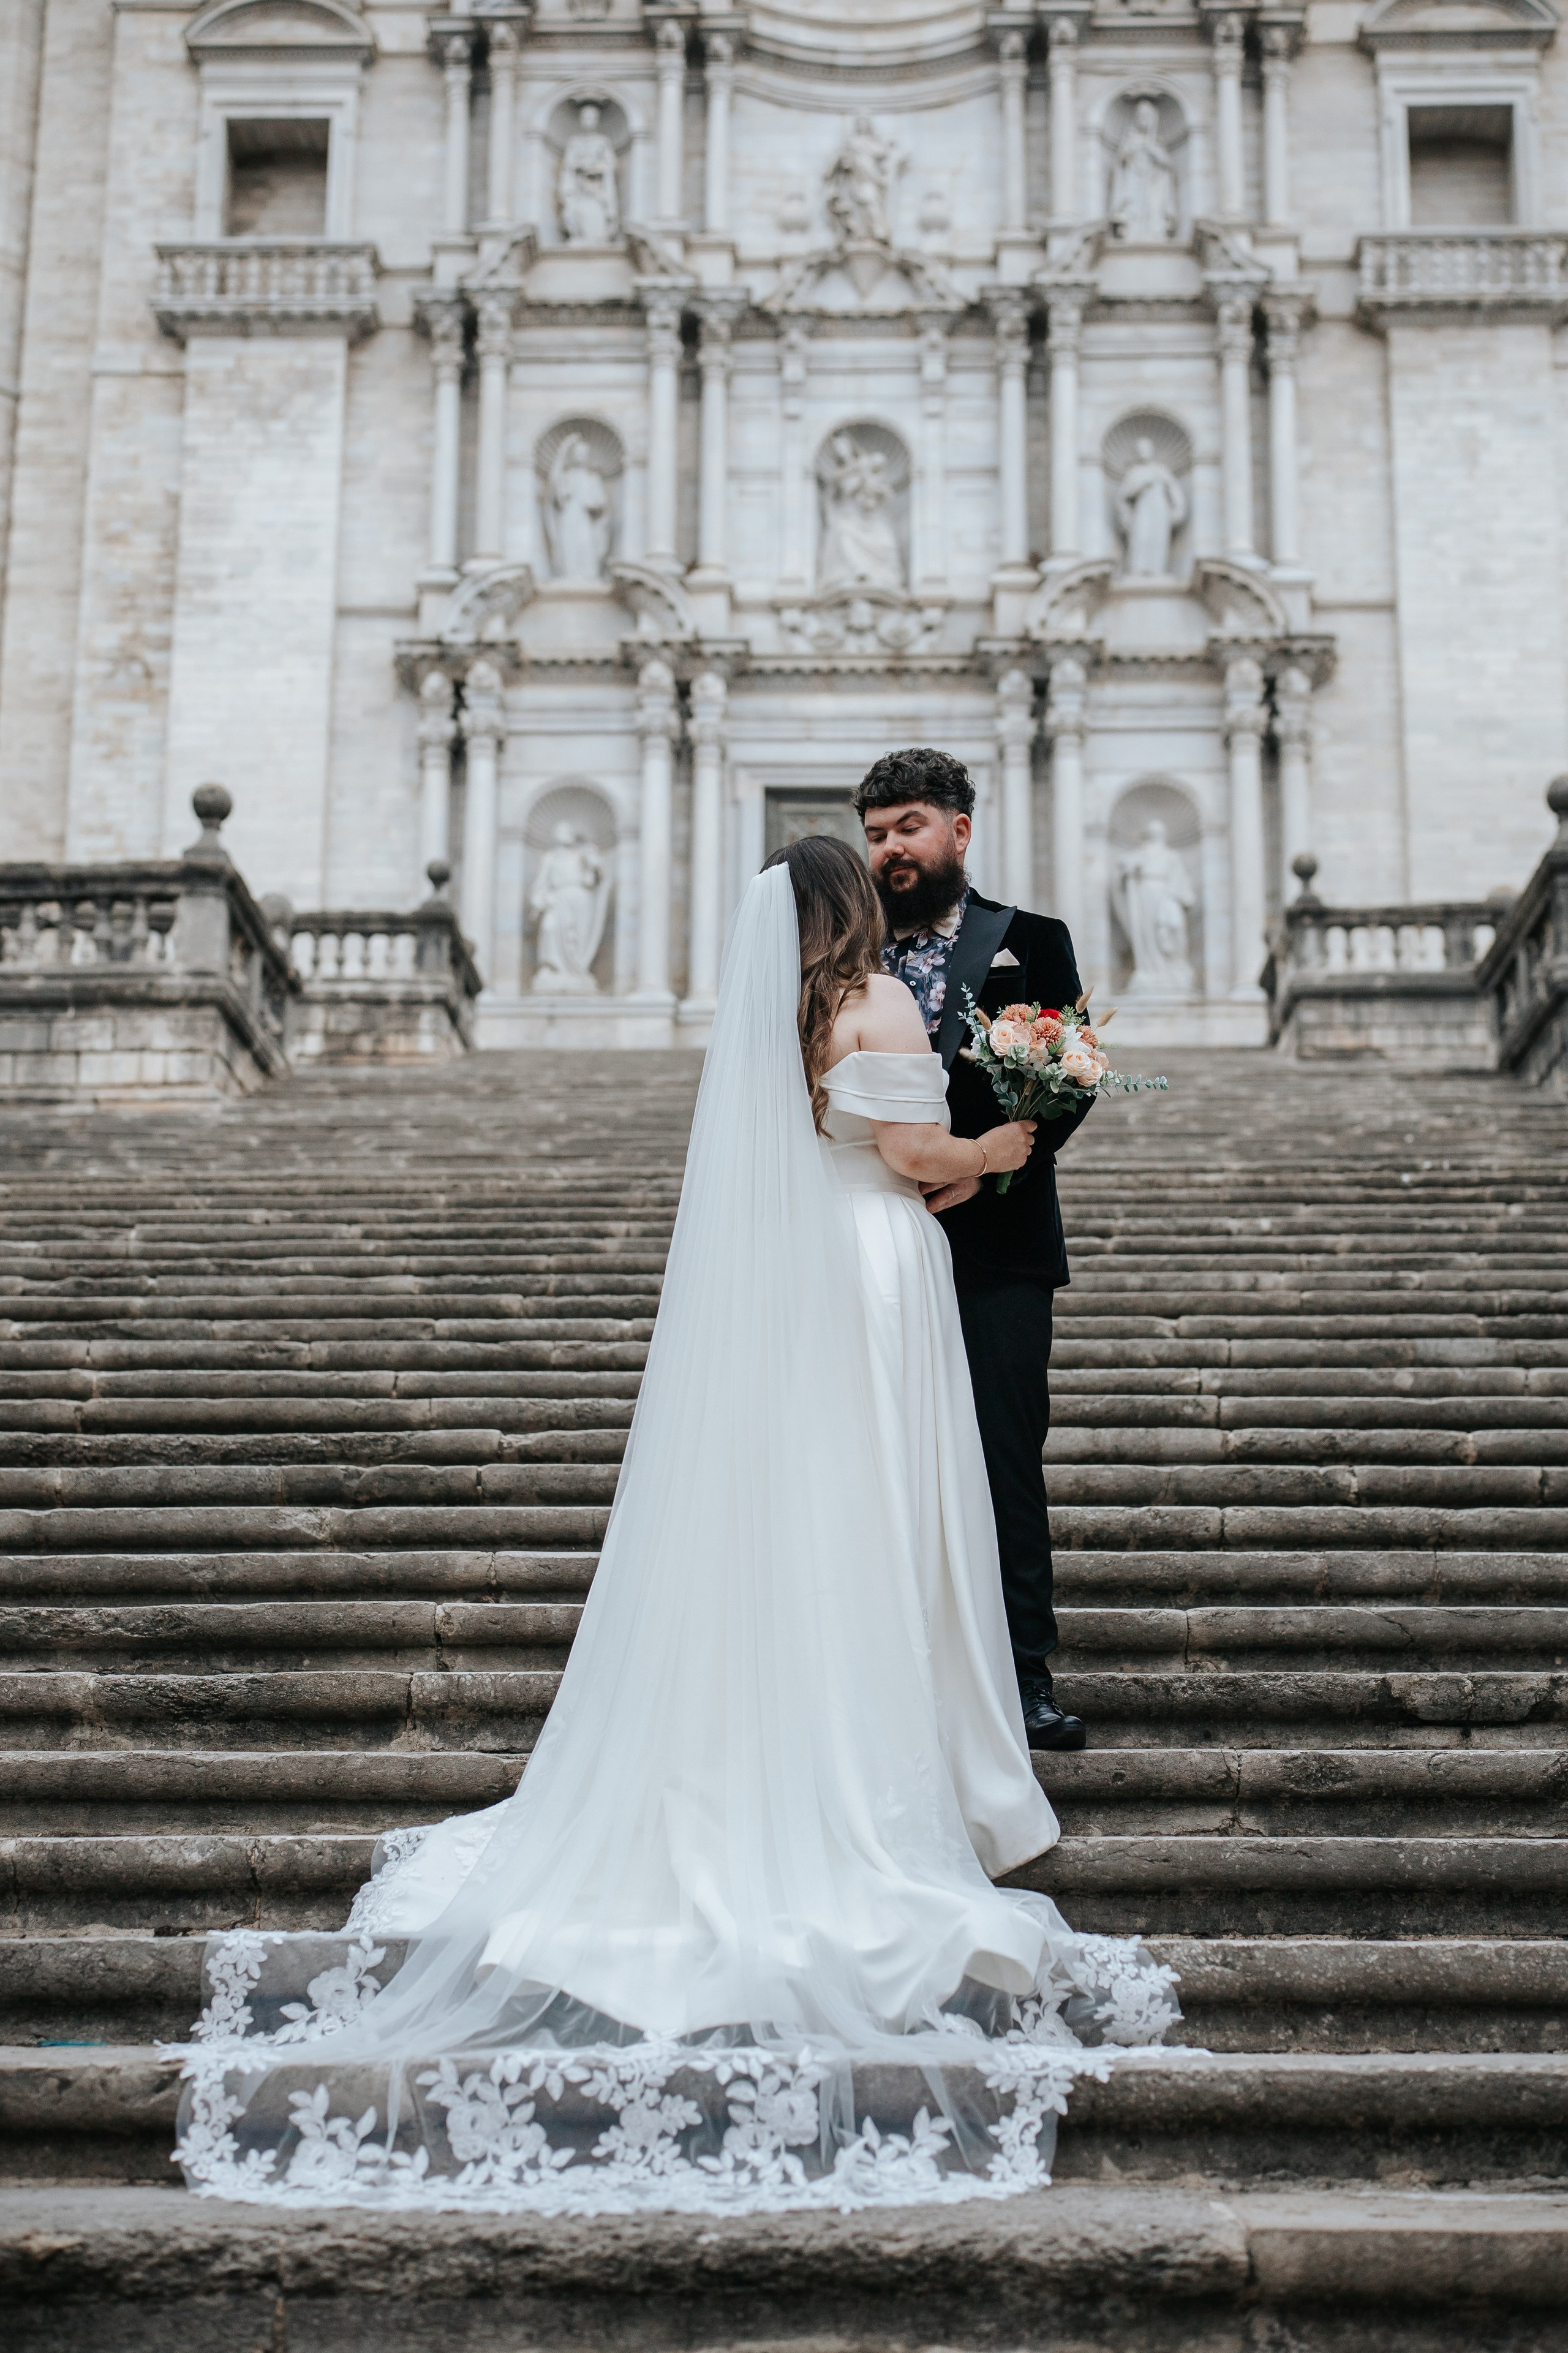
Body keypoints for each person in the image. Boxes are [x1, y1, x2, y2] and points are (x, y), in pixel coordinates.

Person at [170, 845, 1176, 2218]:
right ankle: (895, 1757)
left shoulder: (782, 1013)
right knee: (879, 1510)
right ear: (855, 908)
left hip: (805, 1270)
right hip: (878, 1262)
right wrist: (1002, 1141)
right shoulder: (877, 1005)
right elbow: (909, 1153)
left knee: (810, 1507)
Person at [855, 746, 1091, 1752]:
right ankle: (881, 1674)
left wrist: (984, 1169)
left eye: (908, 827)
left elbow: (1072, 1076)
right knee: (871, 1457)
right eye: (873, 835)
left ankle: (1023, 1673)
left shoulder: (1031, 940)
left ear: (958, 829)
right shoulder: (839, 954)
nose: (889, 849)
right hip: (866, 1238)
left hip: (997, 1248)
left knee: (1003, 1459)